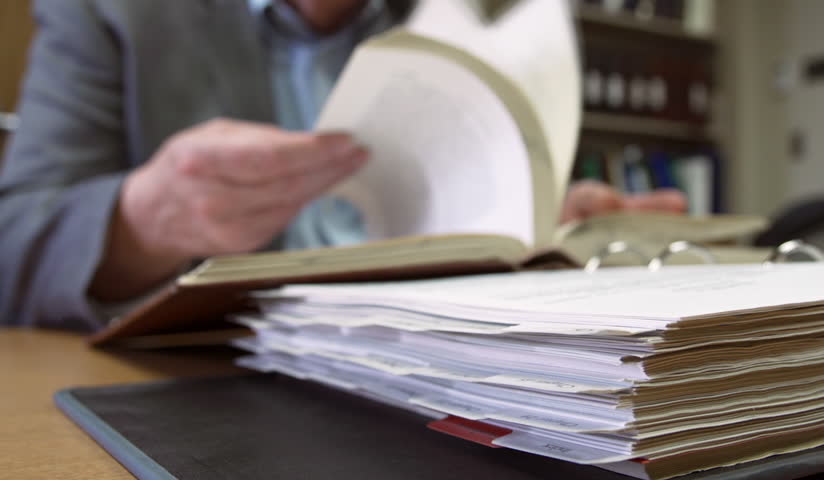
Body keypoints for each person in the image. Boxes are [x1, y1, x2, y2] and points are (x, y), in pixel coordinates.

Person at [0, 0, 684, 331]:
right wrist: (145, 220)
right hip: (201, 392)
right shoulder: (110, 11)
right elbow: (12, 248)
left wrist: (533, 225)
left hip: (427, 379)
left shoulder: (456, 20)